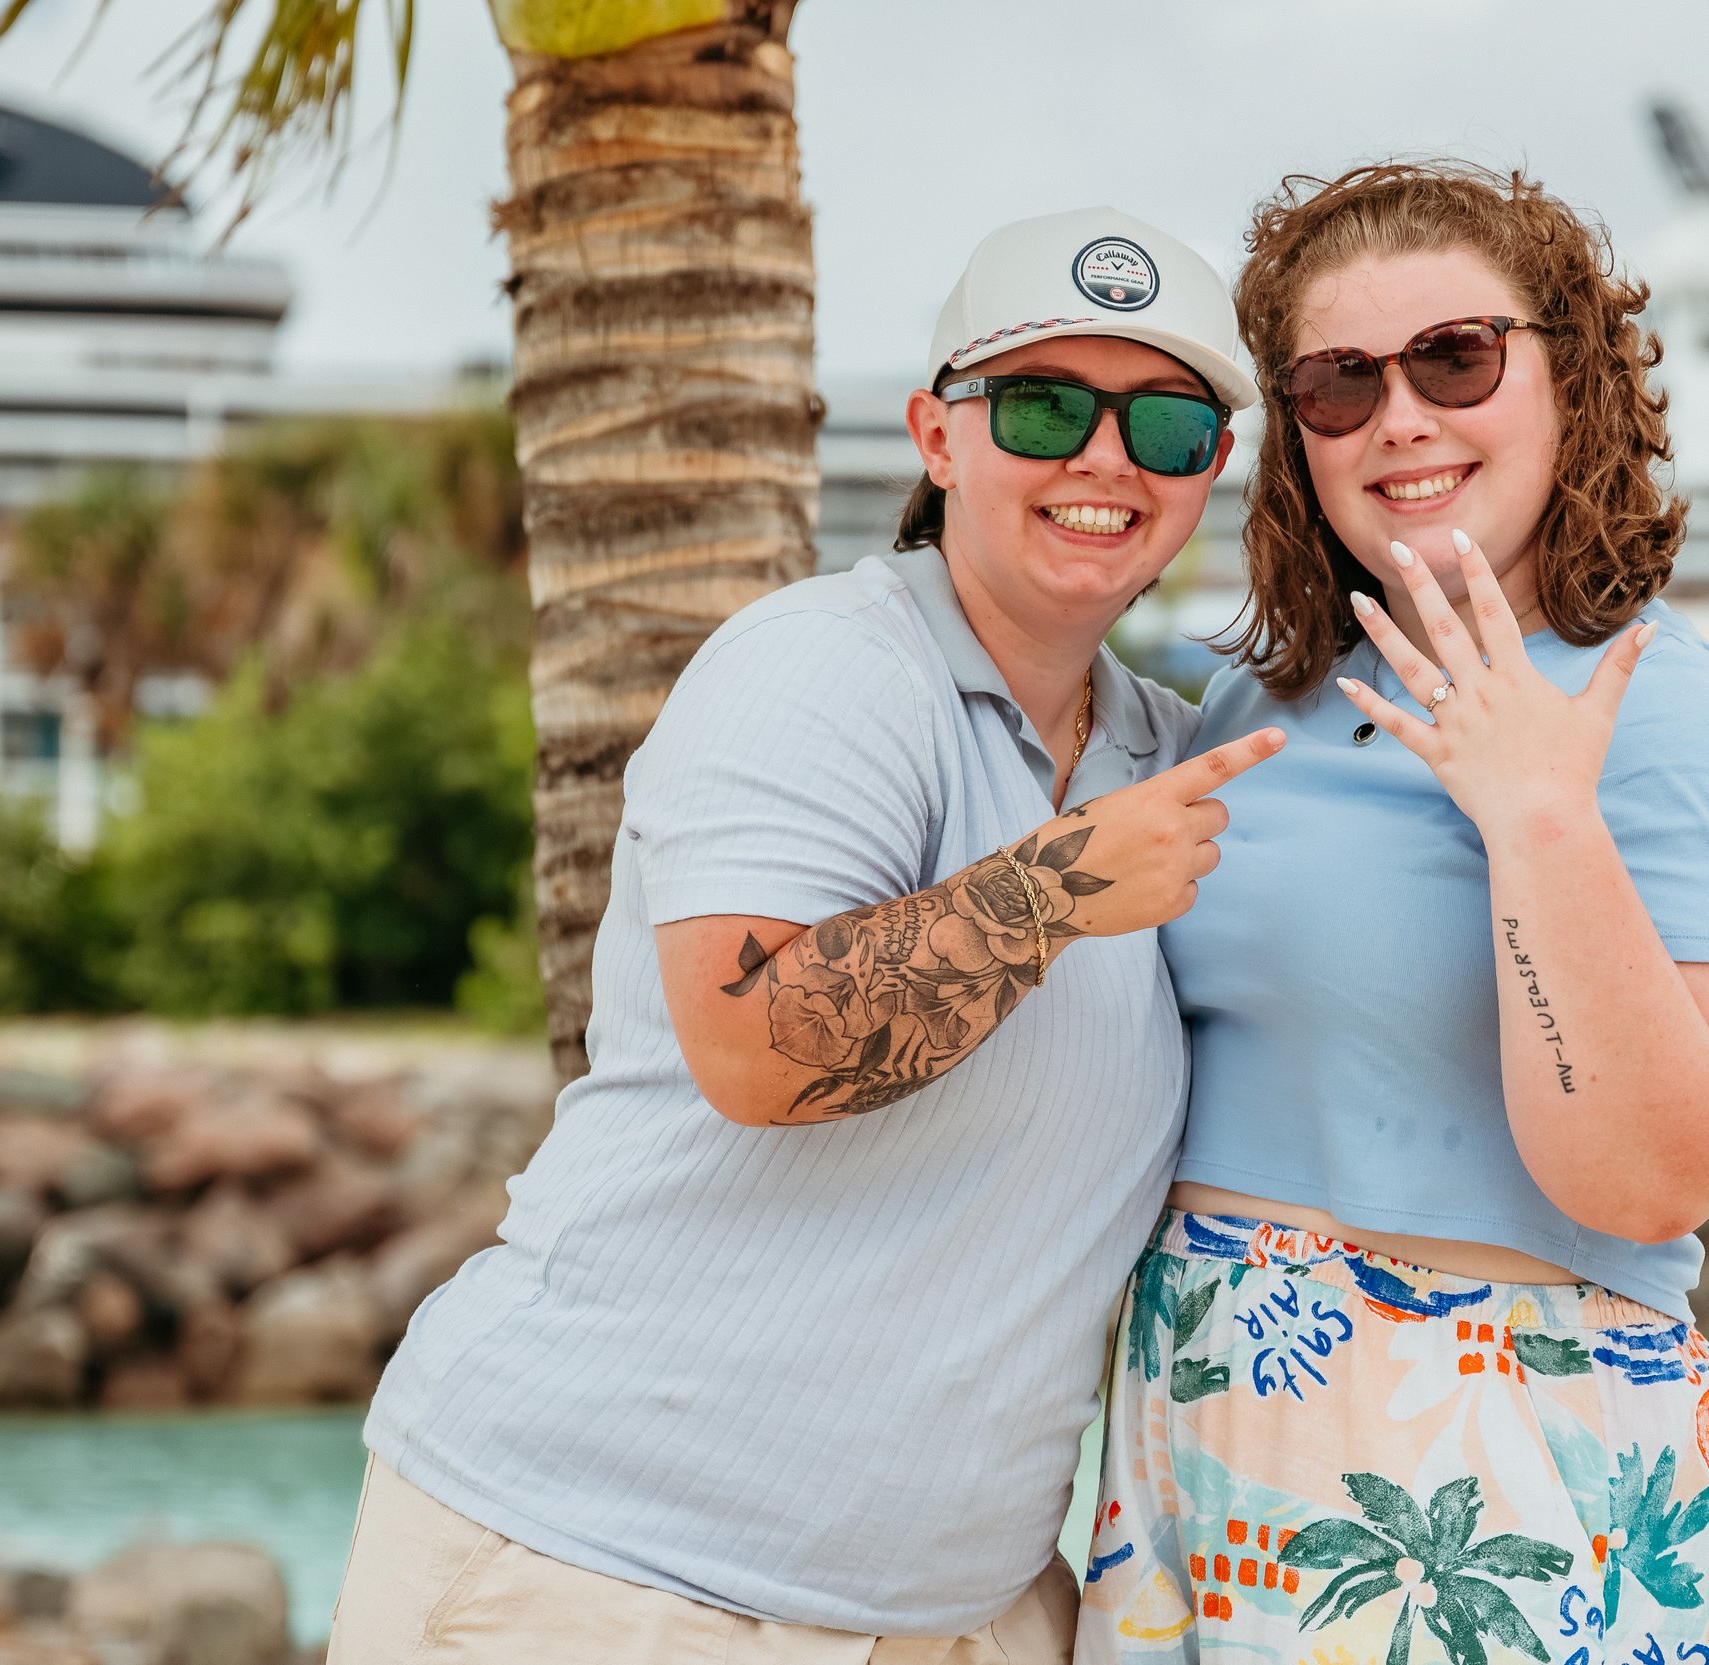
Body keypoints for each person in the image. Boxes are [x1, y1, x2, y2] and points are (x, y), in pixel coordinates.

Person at [328, 206, 1284, 1665]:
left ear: (1208, 467)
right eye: (1041, 405)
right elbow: (754, 1042)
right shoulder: (825, 670)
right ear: (938, 435)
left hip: (953, 1616)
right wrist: (1065, 884)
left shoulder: (1169, 752)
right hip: (605, 1583)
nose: (1105, 459)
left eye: (1165, 422)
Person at [1079, 163, 1709, 1664]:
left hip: (1496, 1470)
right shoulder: (1259, 703)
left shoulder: (1678, 719)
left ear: (1575, 382)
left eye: (1457, 357)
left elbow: (1651, 1177)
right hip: (1203, 1440)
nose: (1402, 417)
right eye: (1341, 383)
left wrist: (1537, 816)